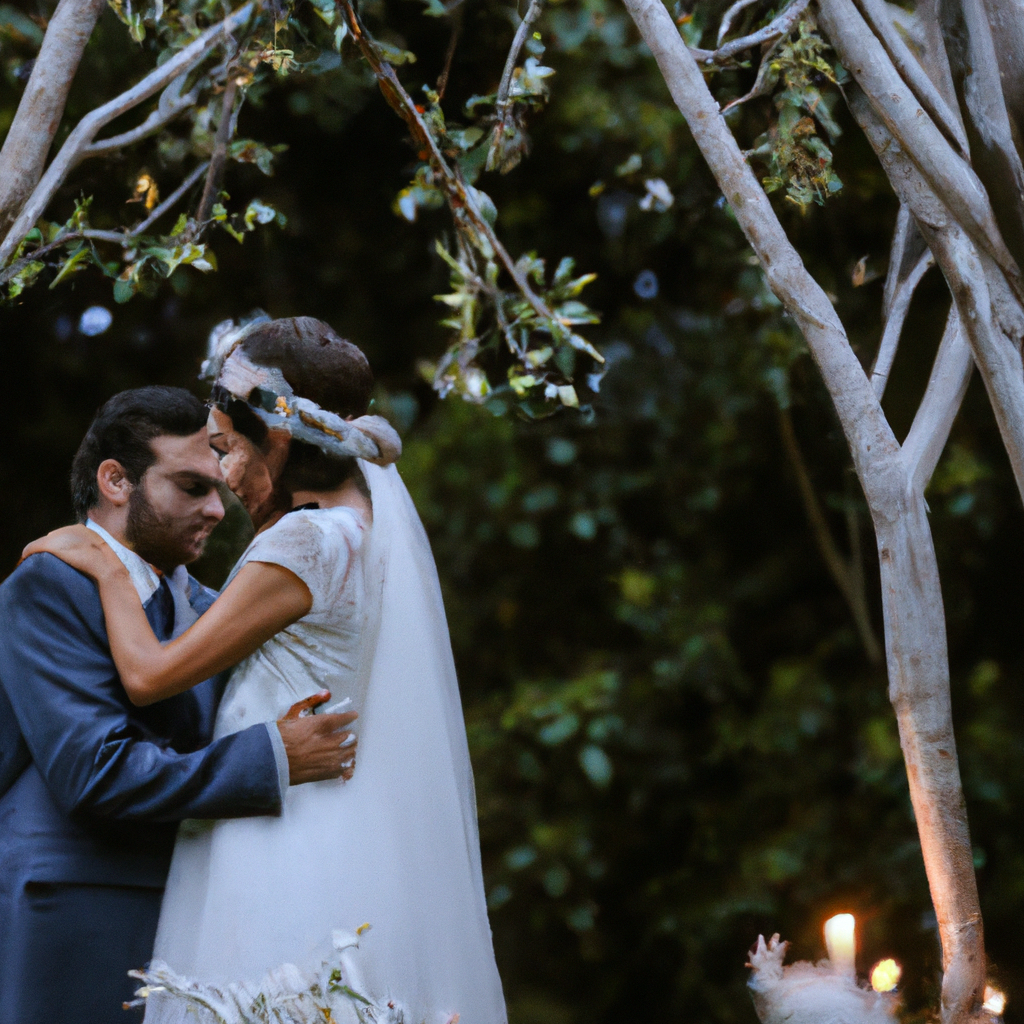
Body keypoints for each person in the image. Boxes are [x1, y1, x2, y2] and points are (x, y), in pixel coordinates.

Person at [26, 317, 508, 1024]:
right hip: (316, 819)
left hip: (280, 833)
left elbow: (151, 675)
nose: (222, 476)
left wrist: (104, 566)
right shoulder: (355, 530)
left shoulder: (304, 539)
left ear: (277, 440)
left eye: (224, 448)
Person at [0, 386, 359, 1024]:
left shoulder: (218, 605)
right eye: (191, 487)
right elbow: (96, 773)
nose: (218, 508)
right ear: (115, 480)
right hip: (78, 910)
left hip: (202, 915)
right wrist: (269, 757)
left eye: (219, 485)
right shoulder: (47, 585)